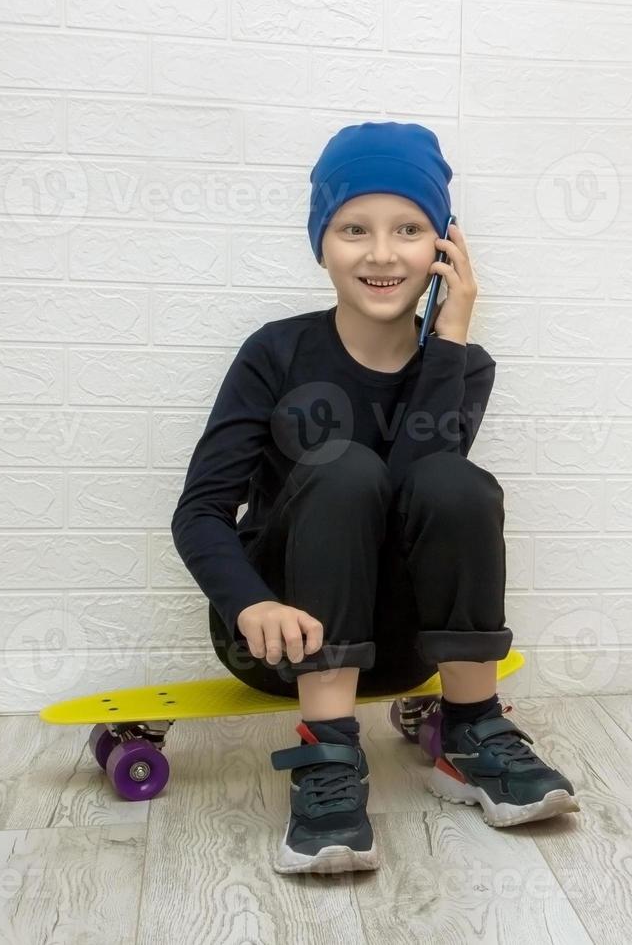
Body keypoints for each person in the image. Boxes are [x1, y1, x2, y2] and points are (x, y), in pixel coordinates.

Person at [169, 121, 578, 876]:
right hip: (280, 638)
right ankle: (327, 761)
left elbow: (421, 487)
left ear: (444, 246)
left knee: (453, 480)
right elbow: (199, 513)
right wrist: (249, 603)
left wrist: (448, 337)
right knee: (343, 466)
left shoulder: (462, 366)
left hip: (403, 649)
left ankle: (471, 733)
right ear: (321, 241)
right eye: (354, 228)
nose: (383, 253)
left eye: (409, 229)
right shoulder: (275, 353)